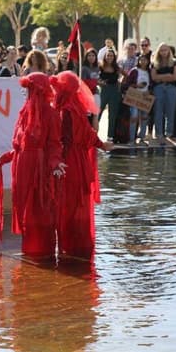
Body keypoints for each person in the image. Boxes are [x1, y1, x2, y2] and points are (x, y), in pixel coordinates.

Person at [0, 73, 66, 259]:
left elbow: (54, 144)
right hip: (22, 167)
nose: (26, 94)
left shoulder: (51, 114)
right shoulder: (24, 112)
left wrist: (55, 163)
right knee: (25, 209)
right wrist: (5, 158)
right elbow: (19, 145)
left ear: (38, 91)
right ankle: (31, 253)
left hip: (39, 169)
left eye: (29, 89)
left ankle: (43, 254)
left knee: (40, 209)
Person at [51, 71, 113, 261]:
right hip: (76, 161)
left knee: (68, 202)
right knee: (78, 200)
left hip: (65, 159)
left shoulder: (62, 109)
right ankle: (77, 244)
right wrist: (103, 145)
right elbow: (87, 133)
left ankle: (68, 244)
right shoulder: (73, 109)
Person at [151, 43, 176, 144]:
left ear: (169, 51)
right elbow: (154, 77)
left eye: (165, 50)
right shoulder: (155, 62)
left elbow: (175, 77)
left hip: (171, 88)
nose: (164, 52)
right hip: (158, 88)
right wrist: (167, 75)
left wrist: (162, 77)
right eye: (161, 50)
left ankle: (169, 133)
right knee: (158, 111)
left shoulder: (175, 62)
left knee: (170, 111)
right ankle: (159, 133)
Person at [124, 53, 152, 145]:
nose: (143, 61)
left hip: (145, 96)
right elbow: (127, 84)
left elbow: (152, 84)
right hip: (135, 95)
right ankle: (132, 138)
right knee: (134, 116)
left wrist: (150, 91)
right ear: (138, 61)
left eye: (145, 60)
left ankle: (142, 138)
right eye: (141, 60)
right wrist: (137, 85)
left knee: (144, 118)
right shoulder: (134, 71)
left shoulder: (149, 71)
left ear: (148, 61)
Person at [98, 49, 121, 142]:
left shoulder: (117, 68)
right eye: (108, 55)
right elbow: (96, 77)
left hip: (114, 91)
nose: (109, 57)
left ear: (114, 57)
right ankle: (93, 133)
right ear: (105, 56)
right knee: (98, 112)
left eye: (111, 56)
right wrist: (99, 82)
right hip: (104, 90)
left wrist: (121, 82)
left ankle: (110, 136)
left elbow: (126, 75)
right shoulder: (100, 66)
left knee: (112, 115)